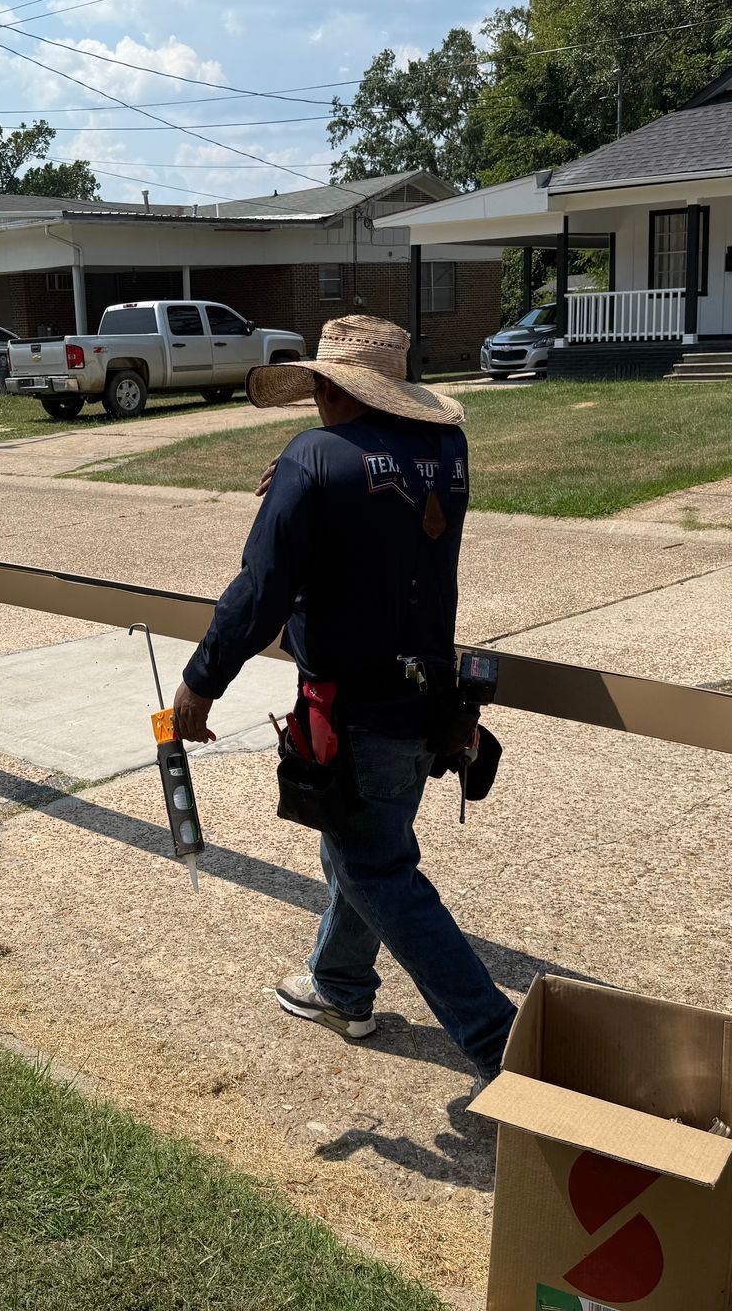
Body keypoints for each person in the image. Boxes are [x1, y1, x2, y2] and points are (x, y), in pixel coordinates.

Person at [171, 314, 516, 1081]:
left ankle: (501, 1040)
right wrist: (307, 474)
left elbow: (261, 592)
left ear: (327, 387)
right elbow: (386, 502)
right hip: (432, 695)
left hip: (354, 705)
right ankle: (340, 985)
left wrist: (201, 682)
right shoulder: (448, 450)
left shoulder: (314, 460)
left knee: (374, 868)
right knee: (362, 847)